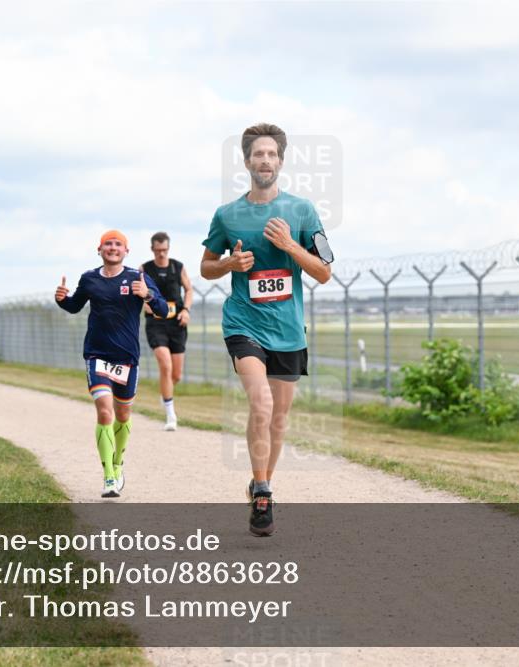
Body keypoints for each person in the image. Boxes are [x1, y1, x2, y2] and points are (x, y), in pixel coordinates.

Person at [200, 123, 334, 536]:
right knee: (259, 404)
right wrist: (229, 265)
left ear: (281, 161)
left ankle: (264, 480)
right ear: (246, 162)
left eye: (272, 154)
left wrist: (291, 247)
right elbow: (206, 267)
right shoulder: (227, 215)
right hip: (244, 322)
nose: (265, 160)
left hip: (288, 329)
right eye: (258, 154)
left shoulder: (302, 211)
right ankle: (262, 493)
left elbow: (325, 272)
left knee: (278, 418)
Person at [55, 230, 168, 498]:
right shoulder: (90, 278)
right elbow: (74, 306)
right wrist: (62, 299)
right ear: (100, 249)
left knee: (123, 415)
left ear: (126, 251)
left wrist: (148, 295)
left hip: (127, 358)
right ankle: (108, 477)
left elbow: (163, 310)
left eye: (118, 244)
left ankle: (118, 465)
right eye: (108, 243)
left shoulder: (137, 278)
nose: (113, 247)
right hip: (96, 355)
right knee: (105, 412)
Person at [142, 231, 193, 431]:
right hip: (156, 323)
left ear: (168, 249)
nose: (162, 254)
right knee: (165, 366)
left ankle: (165, 393)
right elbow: (136, 290)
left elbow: (189, 289)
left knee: (176, 374)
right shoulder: (144, 269)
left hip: (177, 323)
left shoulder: (177, 267)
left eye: (165, 250)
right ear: (152, 249)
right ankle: (171, 415)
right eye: (158, 250)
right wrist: (143, 303)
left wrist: (187, 310)